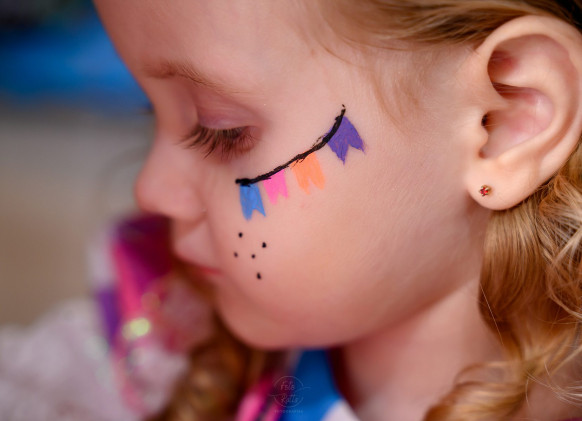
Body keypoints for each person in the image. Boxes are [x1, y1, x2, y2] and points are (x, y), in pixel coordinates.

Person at [92, 0, 582, 420]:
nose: (151, 191)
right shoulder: (145, 344)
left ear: (504, 118)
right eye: (150, 112)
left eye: (222, 130)